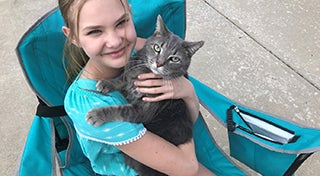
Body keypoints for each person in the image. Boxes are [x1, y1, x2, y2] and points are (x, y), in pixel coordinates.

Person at [60, 0, 214, 175]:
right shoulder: (87, 105)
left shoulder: (139, 48)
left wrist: (187, 91)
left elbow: (190, 121)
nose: (115, 41)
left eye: (121, 22)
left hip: (170, 149)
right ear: (72, 36)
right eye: (95, 31)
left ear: (130, 15)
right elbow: (188, 168)